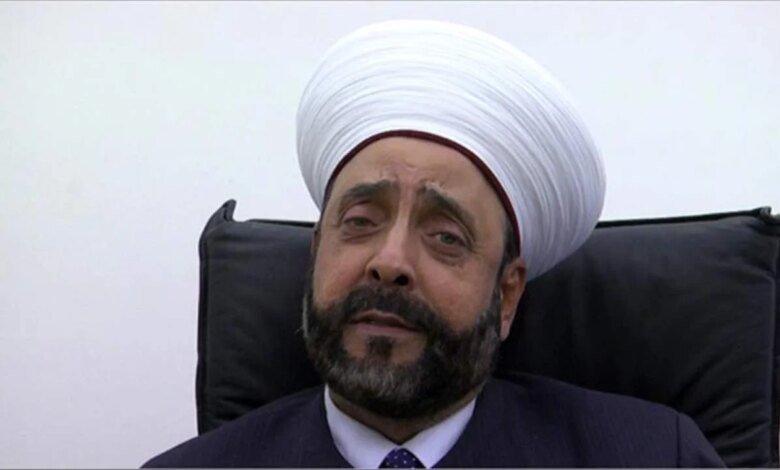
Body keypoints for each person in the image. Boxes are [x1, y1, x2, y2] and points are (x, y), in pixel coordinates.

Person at [144, 20, 724, 468]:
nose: (389, 261)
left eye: (446, 236)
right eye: (361, 221)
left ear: (506, 295)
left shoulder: (654, 456)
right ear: (316, 253)